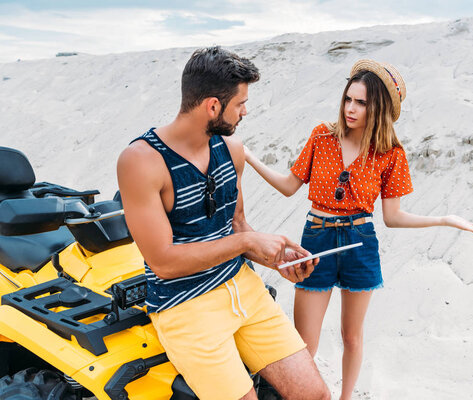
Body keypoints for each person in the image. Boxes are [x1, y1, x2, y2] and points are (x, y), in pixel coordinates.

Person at [243, 59, 473, 400]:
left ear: (378, 108)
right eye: (349, 99)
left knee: (352, 337)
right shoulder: (322, 136)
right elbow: (289, 186)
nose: (351, 108)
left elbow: (392, 217)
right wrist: (248, 156)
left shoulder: (390, 153)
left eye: (361, 103)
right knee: (303, 345)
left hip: (360, 243)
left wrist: (445, 219)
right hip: (316, 238)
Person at [117, 46, 330, 400]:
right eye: (240, 103)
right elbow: (164, 262)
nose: (245, 111)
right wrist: (247, 245)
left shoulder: (231, 148)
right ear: (212, 106)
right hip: (185, 306)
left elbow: (238, 226)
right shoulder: (141, 161)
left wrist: (277, 259)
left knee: (315, 395)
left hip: (243, 289)